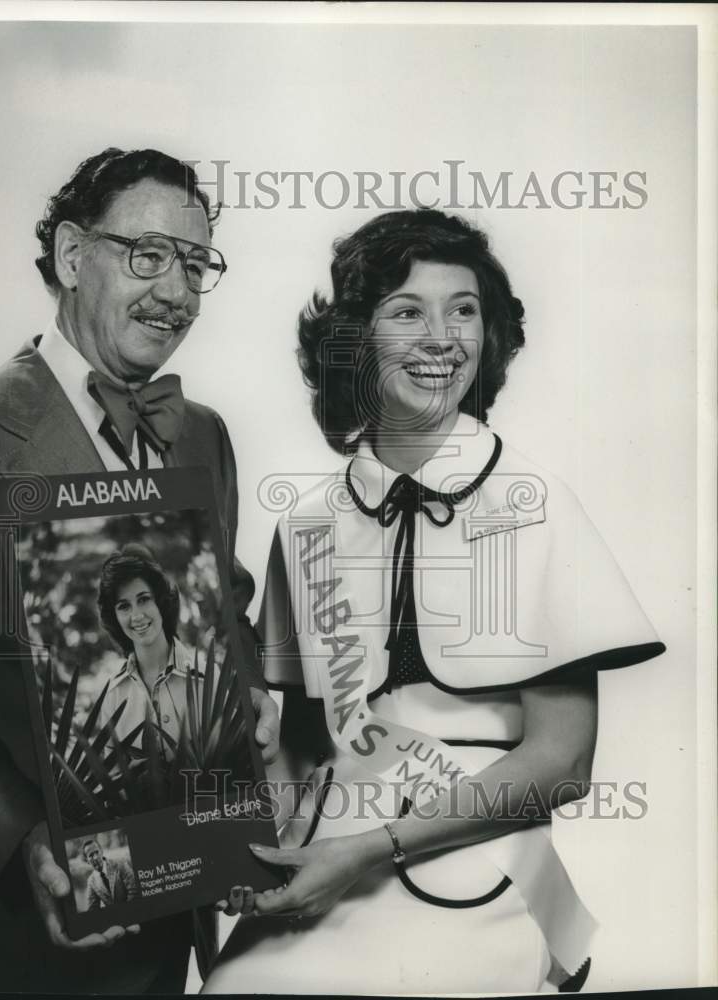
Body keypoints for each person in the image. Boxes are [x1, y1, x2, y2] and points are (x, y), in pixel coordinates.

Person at [202, 209, 666, 994]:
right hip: (324, 861)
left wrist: (365, 849)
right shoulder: (309, 522)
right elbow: (304, 749)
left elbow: (564, 762)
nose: (443, 338)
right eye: (407, 311)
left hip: (473, 869)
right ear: (356, 339)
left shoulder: (536, 502)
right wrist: (265, 834)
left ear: (490, 338)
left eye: (464, 311)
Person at [0, 147, 279, 993]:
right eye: (148, 255)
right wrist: (22, 840)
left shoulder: (203, 433)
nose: (177, 293)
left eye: (196, 265)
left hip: (176, 913)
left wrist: (252, 690)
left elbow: (224, 611)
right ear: (74, 255)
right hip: (10, 931)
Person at [97, 544, 198, 751]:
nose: (137, 616)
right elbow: (113, 776)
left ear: (160, 601)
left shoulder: (208, 678)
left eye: (143, 599)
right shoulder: (112, 697)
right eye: (124, 606)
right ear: (114, 617)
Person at [83, 840, 139, 910]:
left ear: (102, 851)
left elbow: (134, 890)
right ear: (87, 861)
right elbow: (92, 908)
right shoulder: (91, 882)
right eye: (91, 855)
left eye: (97, 852)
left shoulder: (120, 864)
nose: (95, 857)